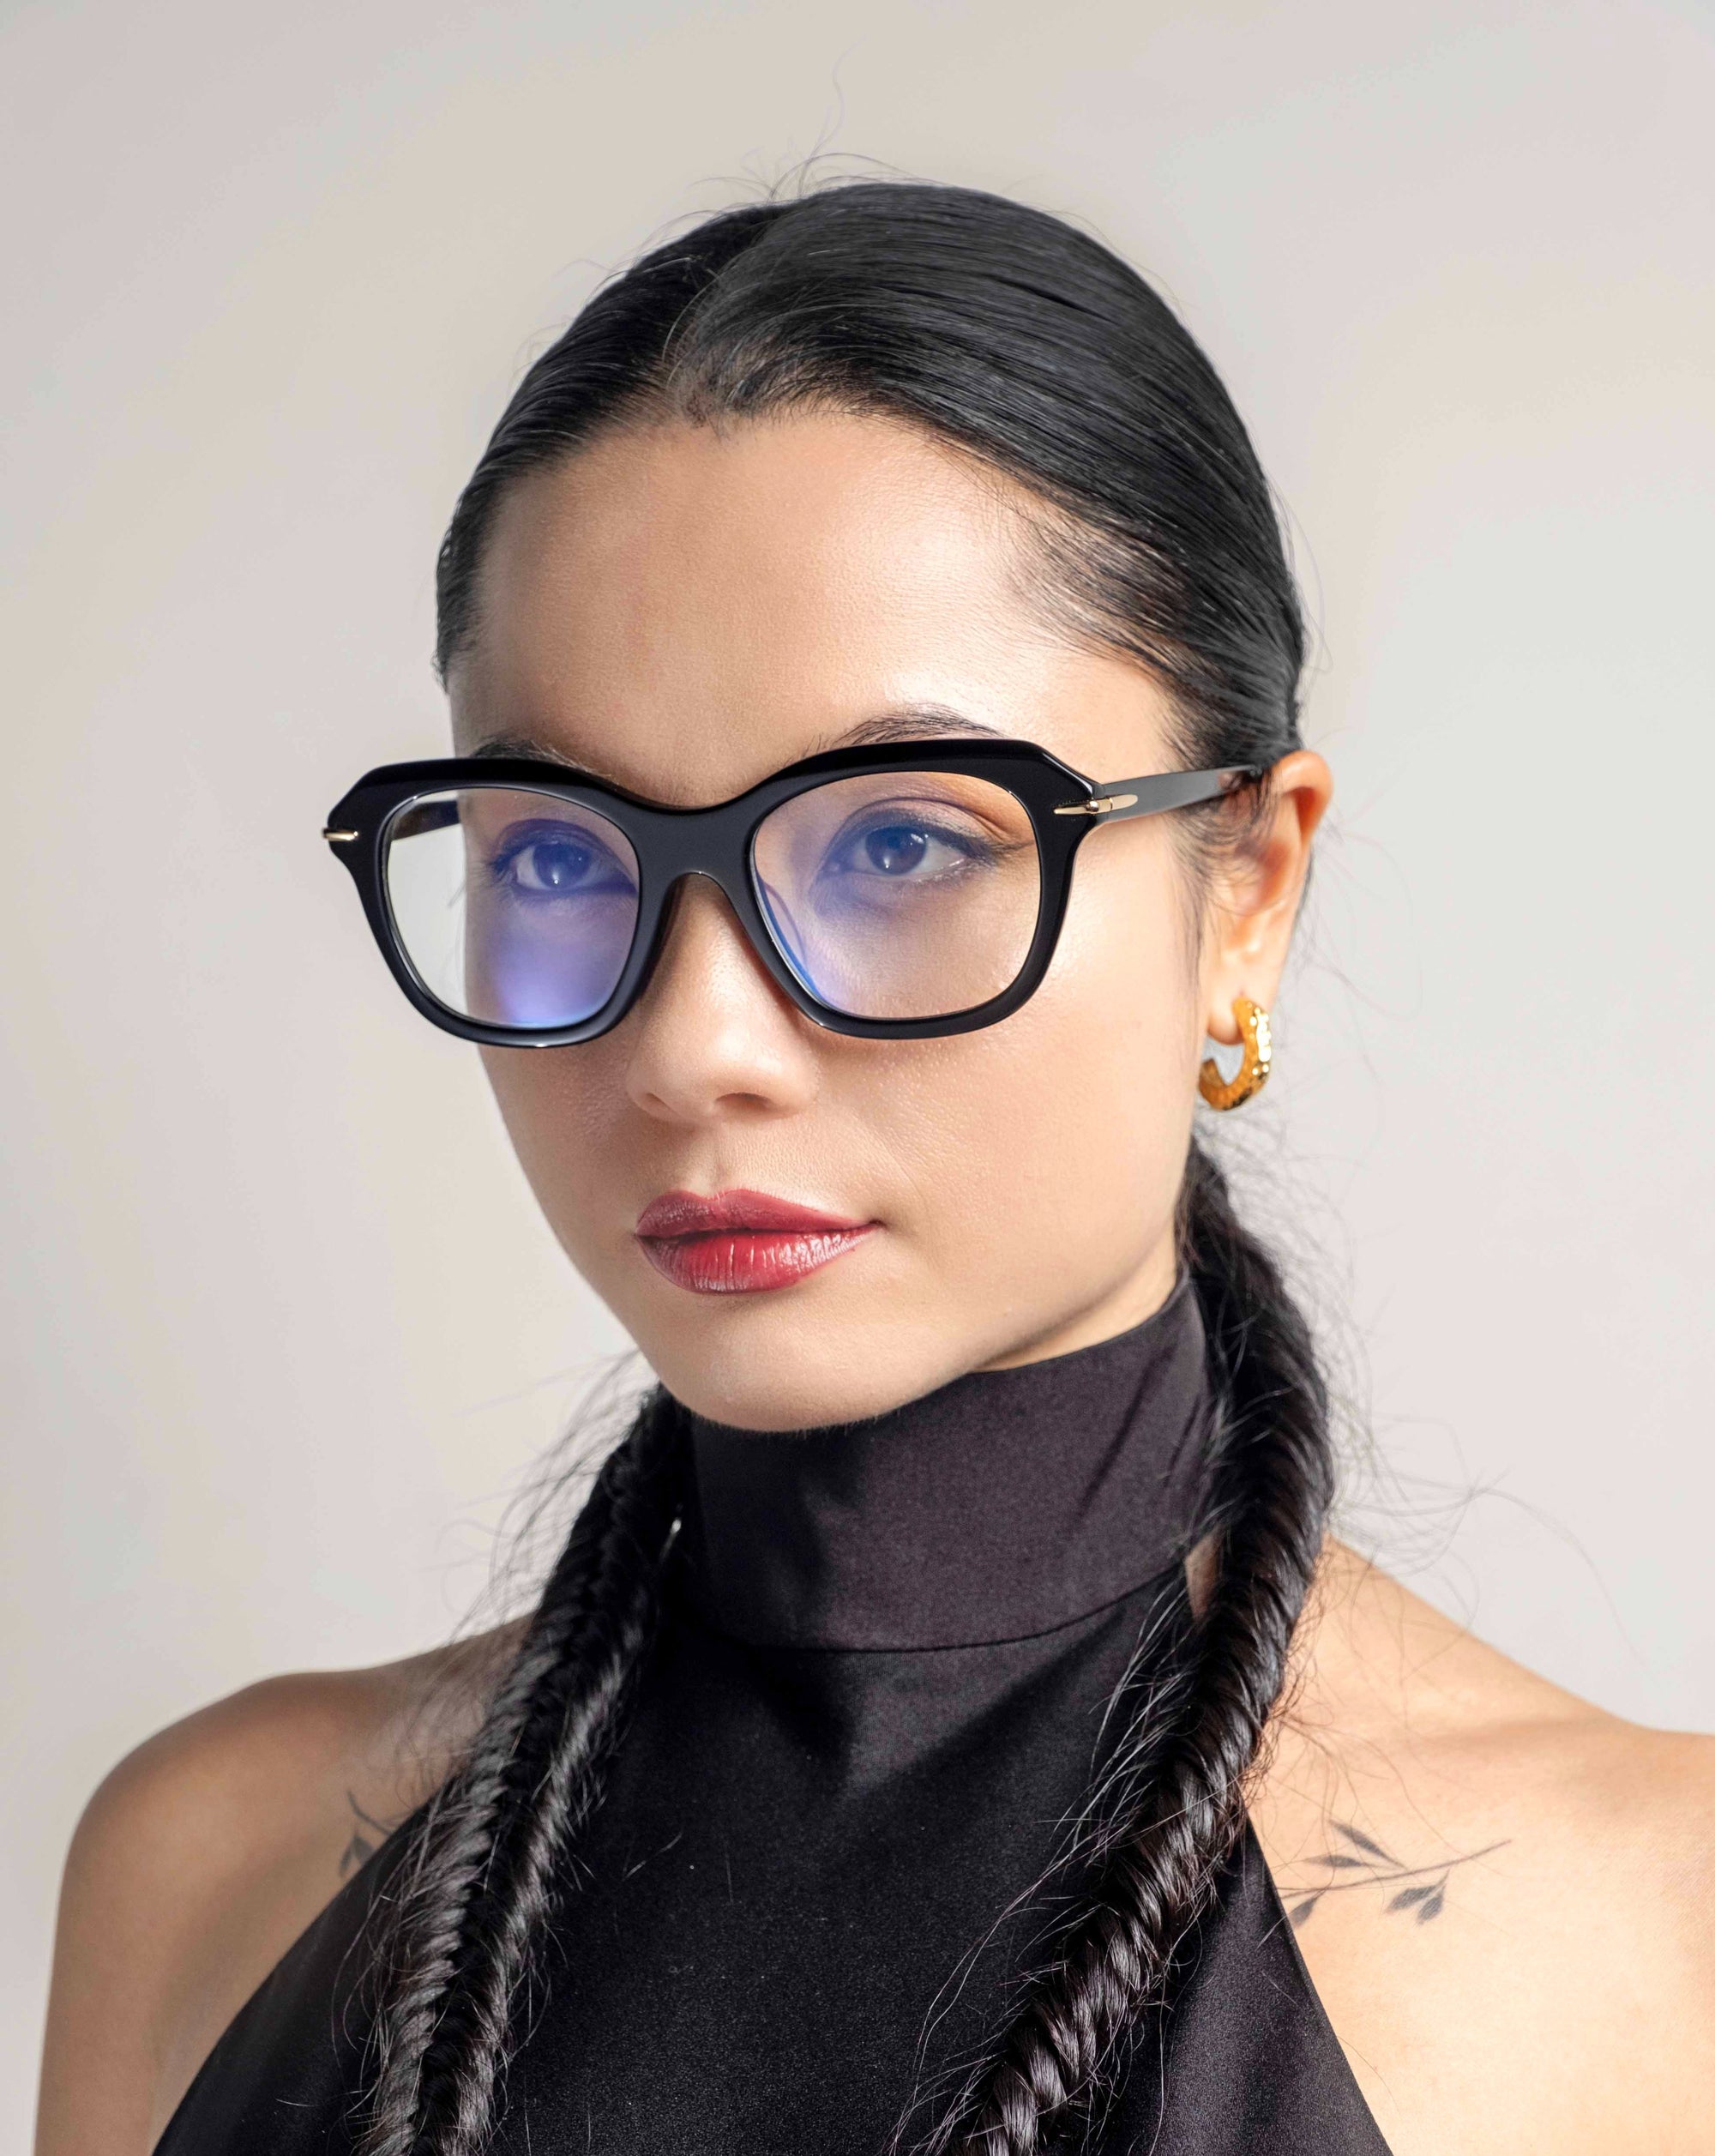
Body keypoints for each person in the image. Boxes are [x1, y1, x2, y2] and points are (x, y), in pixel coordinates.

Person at [35, 179, 1715, 2156]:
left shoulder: (1647, 1932)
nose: (692, 1048)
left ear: (1245, 890)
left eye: (902, 844)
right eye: (563, 858)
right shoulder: (210, 1871)